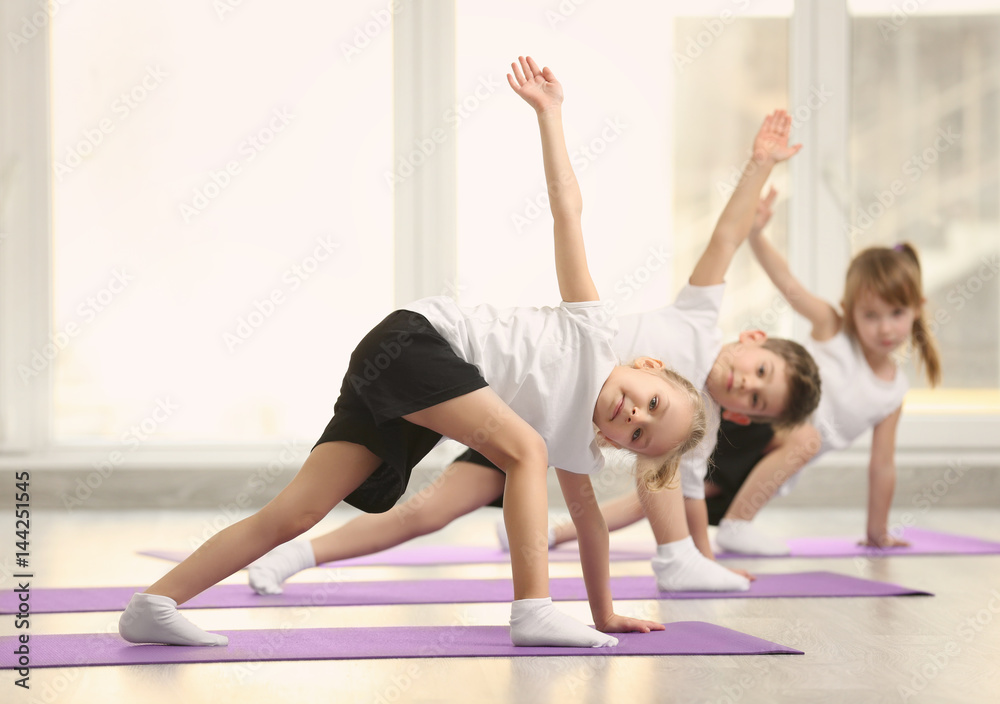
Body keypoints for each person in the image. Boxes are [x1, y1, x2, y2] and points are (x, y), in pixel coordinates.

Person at [117, 56, 702, 650]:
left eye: (640, 437)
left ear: (620, 448)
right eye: (653, 403)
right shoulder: (592, 330)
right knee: (525, 449)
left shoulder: (578, 446)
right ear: (647, 366)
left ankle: (154, 602)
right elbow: (566, 212)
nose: (637, 419)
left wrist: (604, 615)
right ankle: (532, 611)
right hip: (419, 341)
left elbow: (590, 525)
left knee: (297, 514)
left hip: (405, 377)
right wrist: (550, 116)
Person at [249, 111, 822, 597]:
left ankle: (296, 556)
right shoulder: (698, 321)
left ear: (747, 416)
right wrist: (761, 164)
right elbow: (724, 238)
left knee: (433, 511)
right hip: (508, 387)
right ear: (752, 341)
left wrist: (703, 556)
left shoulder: (690, 431)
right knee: (433, 505)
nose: (745, 386)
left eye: (756, 400)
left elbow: (681, 489)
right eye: (760, 374)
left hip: (546, 431)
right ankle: (293, 553)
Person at [701, 230, 941, 555]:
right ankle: (736, 526)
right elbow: (788, 284)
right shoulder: (834, 329)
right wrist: (756, 234)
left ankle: (730, 522)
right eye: (871, 315)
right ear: (849, 309)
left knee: (667, 499)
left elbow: (882, 464)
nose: (885, 328)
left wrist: (877, 532)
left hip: (760, 474)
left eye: (896, 313)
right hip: (745, 425)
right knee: (807, 438)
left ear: (917, 308)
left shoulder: (893, 393)